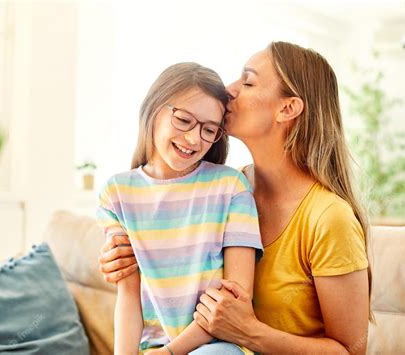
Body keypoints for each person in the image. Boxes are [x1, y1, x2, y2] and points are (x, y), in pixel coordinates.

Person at [99, 41, 372, 354]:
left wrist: (249, 333)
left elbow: (352, 351)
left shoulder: (328, 218)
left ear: (287, 108)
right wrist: (120, 259)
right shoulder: (229, 189)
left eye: (248, 81)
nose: (228, 90)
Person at [96, 62, 263, 355]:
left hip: (216, 345)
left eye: (209, 130)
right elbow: (129, 298)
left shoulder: (231, 187)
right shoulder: (117, 194)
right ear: (154, 108)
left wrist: (173, 352)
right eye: (184, 120)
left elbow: (234, 299)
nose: (193, 139)